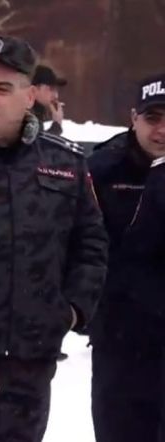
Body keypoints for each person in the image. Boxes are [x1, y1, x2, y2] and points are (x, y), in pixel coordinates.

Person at [0, 35, 109, 442]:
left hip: (28, 360)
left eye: (2, 89)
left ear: (30, 96)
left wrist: (71, 311)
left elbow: (91, 243)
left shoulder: (63, 163)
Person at [88, 73, 165, 442]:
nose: (162, 130)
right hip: (120, 338)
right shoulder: (103, 169)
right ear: (134, 118)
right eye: (153, 118)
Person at [31, 65, 66, 136]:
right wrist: (56, 125)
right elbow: (36, 142)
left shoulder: (37, 113)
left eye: (56, 90)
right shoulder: (26, 116)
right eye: (51, 89)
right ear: (35, 89)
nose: (56, 96)